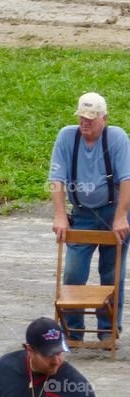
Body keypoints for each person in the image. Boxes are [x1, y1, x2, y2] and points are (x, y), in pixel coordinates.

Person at [49, 92, 130, 341]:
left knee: (111, 272)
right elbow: (56, 180)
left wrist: (121, 217)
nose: (85, 123)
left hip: (112, 210)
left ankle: (108, 329)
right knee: (73, 272)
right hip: (82, 213)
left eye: (91, 119)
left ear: (104, 119)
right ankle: (72, 330)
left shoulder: (116, 138)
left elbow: (126, 180)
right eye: (82, 118)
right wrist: (61, 216)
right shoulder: (66, 136)